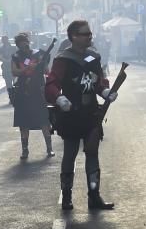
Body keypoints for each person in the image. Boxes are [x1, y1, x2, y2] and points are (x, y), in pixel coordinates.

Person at [45, 20, 119, 211]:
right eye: (85, 34)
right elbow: (52, 83)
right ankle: (67, 196)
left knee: (92, 153)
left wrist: (104, 91)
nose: (90, 36)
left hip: (91, 112)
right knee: (70, 154)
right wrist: (59, 98)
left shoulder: (93, 57)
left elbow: (98, 81)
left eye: (89, 33)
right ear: (74, 36)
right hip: (71, 113)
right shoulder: (63, 59)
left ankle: (94, 196)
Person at [11, 33, 55, 160]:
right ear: (18, 45)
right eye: (20, 42)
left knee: (43, 120)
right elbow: (14, 72)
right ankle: (25, 150)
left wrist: (42, 67)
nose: (24, 44)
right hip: (23, 90)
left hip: (38, 90)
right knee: (23, 122)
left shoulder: (38, 53)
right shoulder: (16, 56)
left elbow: (47, 70)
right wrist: (27, 69)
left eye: (25, 41)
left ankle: (49, 148)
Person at [0, 36, 18, 105]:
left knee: (15, 83)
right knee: (8, 84)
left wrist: (11, 60)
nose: (4, 41)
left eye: (5, 39)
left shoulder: (13, 47)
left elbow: (16, 55)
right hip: (6, 68)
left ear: (7, 40)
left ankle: (16, 97)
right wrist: (6, 60)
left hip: (13, 67)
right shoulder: (0, 49)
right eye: (3, 40)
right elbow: (0, 58)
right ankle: (11, 98)